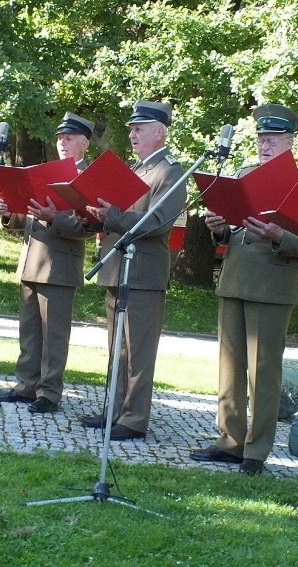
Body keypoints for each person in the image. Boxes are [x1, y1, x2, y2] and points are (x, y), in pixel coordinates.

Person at [191, 104, 298, 475]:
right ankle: (229, 441)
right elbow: (233, 231)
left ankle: (256, 451)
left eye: (273, 140)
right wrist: (218, 226)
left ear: (290, 142)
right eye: (261, 139)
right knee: (229, 369)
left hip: (273, 285)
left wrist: (279, 235)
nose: (264, 145)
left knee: (263, 374)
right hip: (235, 278)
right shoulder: (243, 173)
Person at [80, 99, 186, 441]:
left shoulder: (170, 171)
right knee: (117, 348)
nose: (133, 135)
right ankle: (115, 409)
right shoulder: (134, 169)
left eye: (139, 129)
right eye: (131, 130)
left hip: (144, 273)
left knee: (138, 351)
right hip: (118, 268)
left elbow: (156, 223)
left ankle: (135, 418)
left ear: (160, 132)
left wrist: (110, 215)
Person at [0, 112, 95, 413]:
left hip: (60, 265)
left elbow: (87, 229)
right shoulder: (44, 172)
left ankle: (49, 393)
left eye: (70, 138)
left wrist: (54, 219)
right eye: (60, 138)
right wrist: (9, 209)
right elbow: (22, 217)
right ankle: (26, 386)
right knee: (29, 331)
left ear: (85, 143)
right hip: (30, 259)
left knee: (54, 336)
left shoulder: (86, 179)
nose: (63, 143)